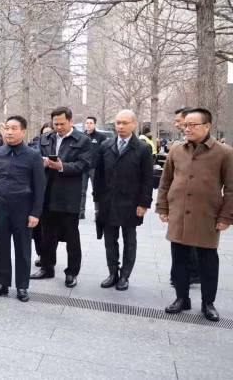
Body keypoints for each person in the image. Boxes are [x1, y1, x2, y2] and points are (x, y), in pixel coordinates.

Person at [157, 108, 233, 321]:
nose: (186, 128)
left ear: (207, 126)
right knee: (179, 259)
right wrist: (163, 208)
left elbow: (231, 189)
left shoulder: (224, 153)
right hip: (179, 214)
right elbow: (165, 182)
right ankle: (181, 298)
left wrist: (226, 217)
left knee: (208, 262)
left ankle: (208, 303)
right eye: (185, 125)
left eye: (192, 125)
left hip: (207, 216)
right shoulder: (176, 150)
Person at [0, 116, 46, 302]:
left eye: (14, 128)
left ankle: (22, 287)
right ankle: (2, 284)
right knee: (2, 247)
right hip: (0, 206)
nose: (9, 132)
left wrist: (35, 213)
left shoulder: (33, 155)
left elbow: (39, 186)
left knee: (23, 249)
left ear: (23, 132)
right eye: (7, 128)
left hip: (23, 208)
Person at [94, 110, 153, 291]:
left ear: (134, 124)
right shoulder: (106, 145)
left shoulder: (143, 148)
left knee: (129, 240)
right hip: (108, 202)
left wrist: (143, 204)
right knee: (110, 240)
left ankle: (125, 275)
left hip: (131, 203)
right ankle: (113, 272)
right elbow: (98, 175)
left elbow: (147, 179)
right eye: (118, 122)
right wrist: (97, 200)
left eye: (125, 123)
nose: (120, 126)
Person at [33, 107, 92, 288]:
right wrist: (41, 162)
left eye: (62, 124)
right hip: (47, 193)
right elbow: (34, 155)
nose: (58, 127)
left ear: (71, 121)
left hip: (68, 195)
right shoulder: (45, 138)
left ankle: (72, 272)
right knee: (46, 234)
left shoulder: (83, 140)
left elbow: (84, 164)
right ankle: (47, 267)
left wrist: (61, 166)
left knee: (71, 236)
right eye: (55, 124)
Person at [29, 123, 53, 267]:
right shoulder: (34, 146)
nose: (47, 136)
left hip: (54, 192)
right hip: (37, 193)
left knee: (50, 230)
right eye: (45, 133)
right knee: (37, 230)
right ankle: (40, 254)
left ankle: (48, 257)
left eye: (50, 133)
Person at [81, 116, 107, 220]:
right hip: (83, 167)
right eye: (87, 123)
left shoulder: (101, 137)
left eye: (91, 123)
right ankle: (81, 211)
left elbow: (105, 152)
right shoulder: (81, 136)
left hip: (95, 168)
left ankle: (98, 212)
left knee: (97, 190)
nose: (88, 125)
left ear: (94, 124)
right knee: (82, 191)